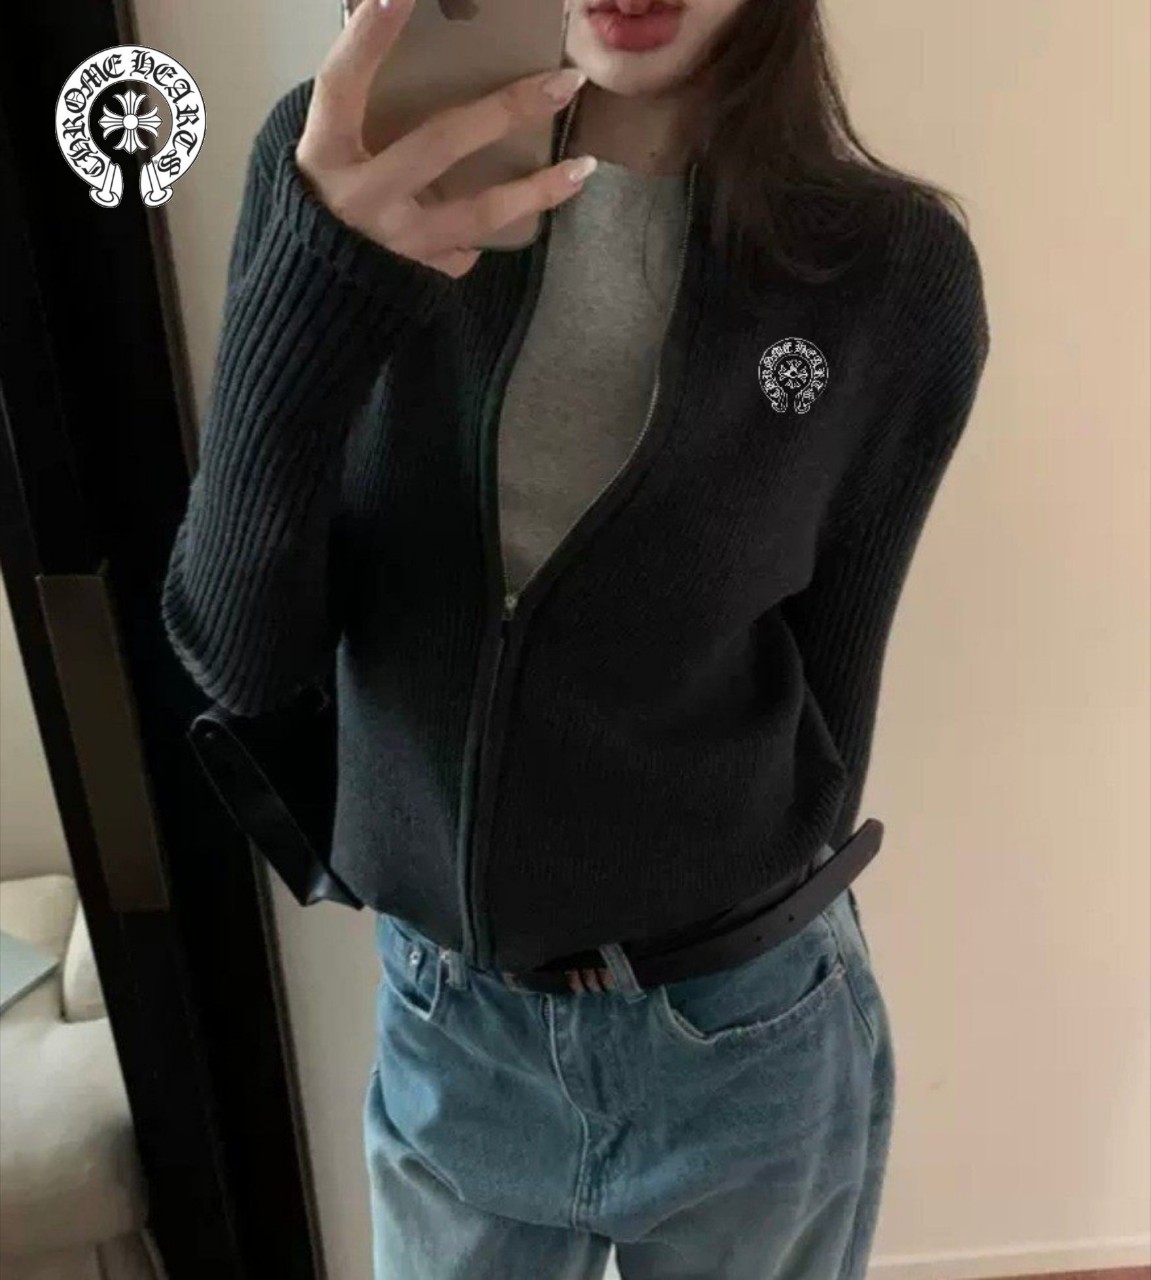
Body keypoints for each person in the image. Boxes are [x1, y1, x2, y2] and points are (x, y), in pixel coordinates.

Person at [160, 0, 990, 1274]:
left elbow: (829, 716)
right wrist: (320, 281)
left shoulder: (890, 275)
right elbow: (238, 655)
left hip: (744, 1036)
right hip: (453, 1037)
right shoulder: (349, 169)